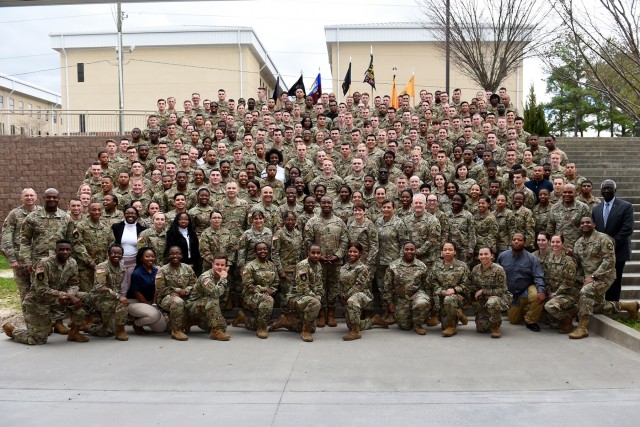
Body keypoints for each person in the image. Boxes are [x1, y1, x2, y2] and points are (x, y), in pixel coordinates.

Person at [3, 239, 90, 344]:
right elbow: (41, 289)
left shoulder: (72, 263)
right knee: (37, 339)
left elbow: (74, 284)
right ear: (55, 250)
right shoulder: (44, 264)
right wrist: (67, 295)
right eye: (61, 250)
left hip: (60, 300)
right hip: (38, 302)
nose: (65, 252)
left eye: (68, 250)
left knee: (87, 299)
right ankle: (13, 330)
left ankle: (74, 333)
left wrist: (69, 295)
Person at [569, 217, 639, 339]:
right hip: (588, 277)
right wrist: (571, 257)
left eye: (588, 222)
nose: (585, 224)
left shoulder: (603, 239)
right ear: (580, 227)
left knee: (586, 292)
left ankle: (582, 328)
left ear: (594, 225)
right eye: (582, 223)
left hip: (604, 276)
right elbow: (578, 262)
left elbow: (609, 261)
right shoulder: (579, 242)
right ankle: (629, 306)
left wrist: (593, 276)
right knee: (596, 306)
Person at [303, 195, 349, 328]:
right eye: (323, 202)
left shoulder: (339, 222)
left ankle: (331, 314)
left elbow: (345, 240)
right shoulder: (312, 222)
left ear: (332, 204)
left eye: (329, 202)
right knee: (319, 287)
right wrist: (319, 256)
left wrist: (337, 255)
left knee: (334, 288)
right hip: (318, 262)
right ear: (320, 204)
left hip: (336, 262)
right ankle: (322, 313)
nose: (326, 204)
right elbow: (307, 241)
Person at [271, 244, 324, 342]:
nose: (316, 255)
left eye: (318, 253)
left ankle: (285, 321)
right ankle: (305, 331)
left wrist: (319, 295)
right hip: (296, 297)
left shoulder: (318, 265)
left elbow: (319, 284)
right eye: (313, 253)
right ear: (308, 253)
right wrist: (316, 298)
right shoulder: (303, 265)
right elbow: (303, 287)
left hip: (308, 297)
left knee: (313, 328)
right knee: (315, 303)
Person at [592, 179, 634, 302]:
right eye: (604, 188)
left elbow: (627, 228)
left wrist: (610, 244)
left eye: (609, 188)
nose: (606, 190)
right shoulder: (596, 208)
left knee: (615, 280)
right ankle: (603, 304)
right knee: (601, 279)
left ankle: (613, 306)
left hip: (618, 250)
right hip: (601, 252)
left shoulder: (626, 206)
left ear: (615, 190)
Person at [498, 233, 546, 332]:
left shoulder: (531, 258)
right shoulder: (503, 256)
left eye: (519, 240)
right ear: (511, 242)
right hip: (512, 294)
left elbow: (538, 275)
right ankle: (525, 307)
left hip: (527, 288)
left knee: (537, 296)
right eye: (514, 239)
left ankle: (530, 320)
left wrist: (541, 290)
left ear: (524, 243)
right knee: (513, 321)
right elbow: (496, 274)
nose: (516, 241)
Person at [340, 242, 388, 340]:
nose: (352, 254)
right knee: (351, 324)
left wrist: (346, 297)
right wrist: (341, 296)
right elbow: (340, 284)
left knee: (352, 301)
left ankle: (355, 332)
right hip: (349, 297)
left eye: (355, 252)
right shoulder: (344, 268)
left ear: (360, 254)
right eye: (350, 251)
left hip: (362, 296)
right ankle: (374, 320)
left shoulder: (363, 268)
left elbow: (358, 287)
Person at [383, 242, 432, 335]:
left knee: (422, 302)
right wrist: (390, 302)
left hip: (417, 294)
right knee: (404, 326)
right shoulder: (393, 266)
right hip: (401, 298)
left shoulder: (421, 265)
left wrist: (429, 300)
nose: (409, 251)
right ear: (403, 251)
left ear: (415, 251)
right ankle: (411, 317)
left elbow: (427, 285)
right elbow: (387, 286)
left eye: (412, 249)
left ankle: (418, 325)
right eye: (407, 249)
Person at [233, 242, 279, 339]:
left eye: (265, 249)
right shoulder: (249, 266)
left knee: (259, 319)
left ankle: (244, 319)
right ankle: (262, 329)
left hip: (266, 295)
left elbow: (276, 281)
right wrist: (265, 290)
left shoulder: (272, 265)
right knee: (268, 301)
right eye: (260, 249)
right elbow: (248, 285)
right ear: (255, 252)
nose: (263, 251)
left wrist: (272, 290)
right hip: (250, 295)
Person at [1, 187, 40, 301]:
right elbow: (7, 236)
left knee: (41, 289)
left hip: (39, 259)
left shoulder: (42, 213)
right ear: (22, 198)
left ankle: (41, 317)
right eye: (26, 195)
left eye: (31, 195)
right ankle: (27, 317)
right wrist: (12, 259)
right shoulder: (14, 214)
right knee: (25, 290)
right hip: (20, 259)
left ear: (36, 197)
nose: (29, 198)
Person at [156, 246, 197, 341]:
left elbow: (195, 284)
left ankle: (188, 321)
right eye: (172, 253)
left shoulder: (187, 268)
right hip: (167, 298)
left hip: (186, 296)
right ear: (168, 256)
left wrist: (186, 290)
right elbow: (160, 289)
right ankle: (176, 330)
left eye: (178, 253)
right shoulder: (162, 270)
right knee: (178, 302)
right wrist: (177, 291)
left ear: (182, 255)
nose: (175, 255)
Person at [187, 254, 231, 341]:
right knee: (212, 299)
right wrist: (222, 279)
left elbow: (223, 296)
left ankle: (195, 321)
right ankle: (215, 332)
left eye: (222, 265)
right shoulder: (206, 277)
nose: (220, 267)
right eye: (217, 264)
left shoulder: (222, 275)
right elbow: (215, 294)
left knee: (223, 327)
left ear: (226, 266)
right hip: (193, 305)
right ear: (212, 265)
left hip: (207, 305)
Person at [432, 242, 471, 337]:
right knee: (443, 324)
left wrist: (455, 290)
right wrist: (443, 292)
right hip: (441, 296)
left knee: (449, 299)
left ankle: (452, 327)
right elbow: (433, 283)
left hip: (458, 297)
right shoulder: (436, 266)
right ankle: (459, 314)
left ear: (455, 252)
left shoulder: (462, 266)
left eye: (450, 250)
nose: (447, 252)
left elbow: (468, 285)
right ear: (441, 252)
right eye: (445, 250)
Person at [91, 244, 129, 341]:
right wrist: (118, 297)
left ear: (122, 255)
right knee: (108, 331)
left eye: (119, 253)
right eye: (113, 253)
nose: (116, 255)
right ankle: (118, 330)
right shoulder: (102, 267)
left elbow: (118, 286)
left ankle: (119, 330)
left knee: (108, 331)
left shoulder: (122, 268)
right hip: (99, 298)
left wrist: (119, 297)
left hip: (112, 298)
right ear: (108, 254)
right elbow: (100, 287)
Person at [543, 235, 580, 334]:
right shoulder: (549, 258)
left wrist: (555, 294)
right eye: (553, 242)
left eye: (558, 242)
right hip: (553, 292)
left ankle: (567, 321)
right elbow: (546, 277)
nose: (555, 244)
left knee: (550, 306)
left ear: (562, 244)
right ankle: (565, 314)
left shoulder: (568, 261)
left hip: (568, 294)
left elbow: (568, 282)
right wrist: (547, 292)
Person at [471, 247, 511, 338]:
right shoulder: (475, 269)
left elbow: (502, 289)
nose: (483, 256)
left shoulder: (498, 269)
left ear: (492, 256)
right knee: (481, 329)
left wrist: (484, 291)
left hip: (499, 297)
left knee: (492, 302)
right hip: (483, 299)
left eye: (486, 254)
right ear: (478, 256)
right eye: (481, 254)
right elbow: (473, 286)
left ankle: (495, 326)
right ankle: (490, 318)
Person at [127, 247, 167, 335]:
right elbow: (137, 293)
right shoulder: (136, 273)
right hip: (135, 302)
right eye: (147, 256)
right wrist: (150, 306)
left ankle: (144, 318)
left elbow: (157, 289)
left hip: (150, 302)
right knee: (154, 315)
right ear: (141, 258)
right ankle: (136, 324)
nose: (150, 258)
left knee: (161, 329)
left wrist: (154, 303)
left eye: (152, 256)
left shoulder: (157, 271)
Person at [112, 206, 147, 296]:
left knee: (131, 283)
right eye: (127, 213)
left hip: (134, 262)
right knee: (122, 284)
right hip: (119, 261)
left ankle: (129, 305)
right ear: (124, 214)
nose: (130, 215)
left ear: (137, 215)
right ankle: (121, 303)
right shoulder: (116, 227)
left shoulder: (142, 230)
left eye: (133, 213)